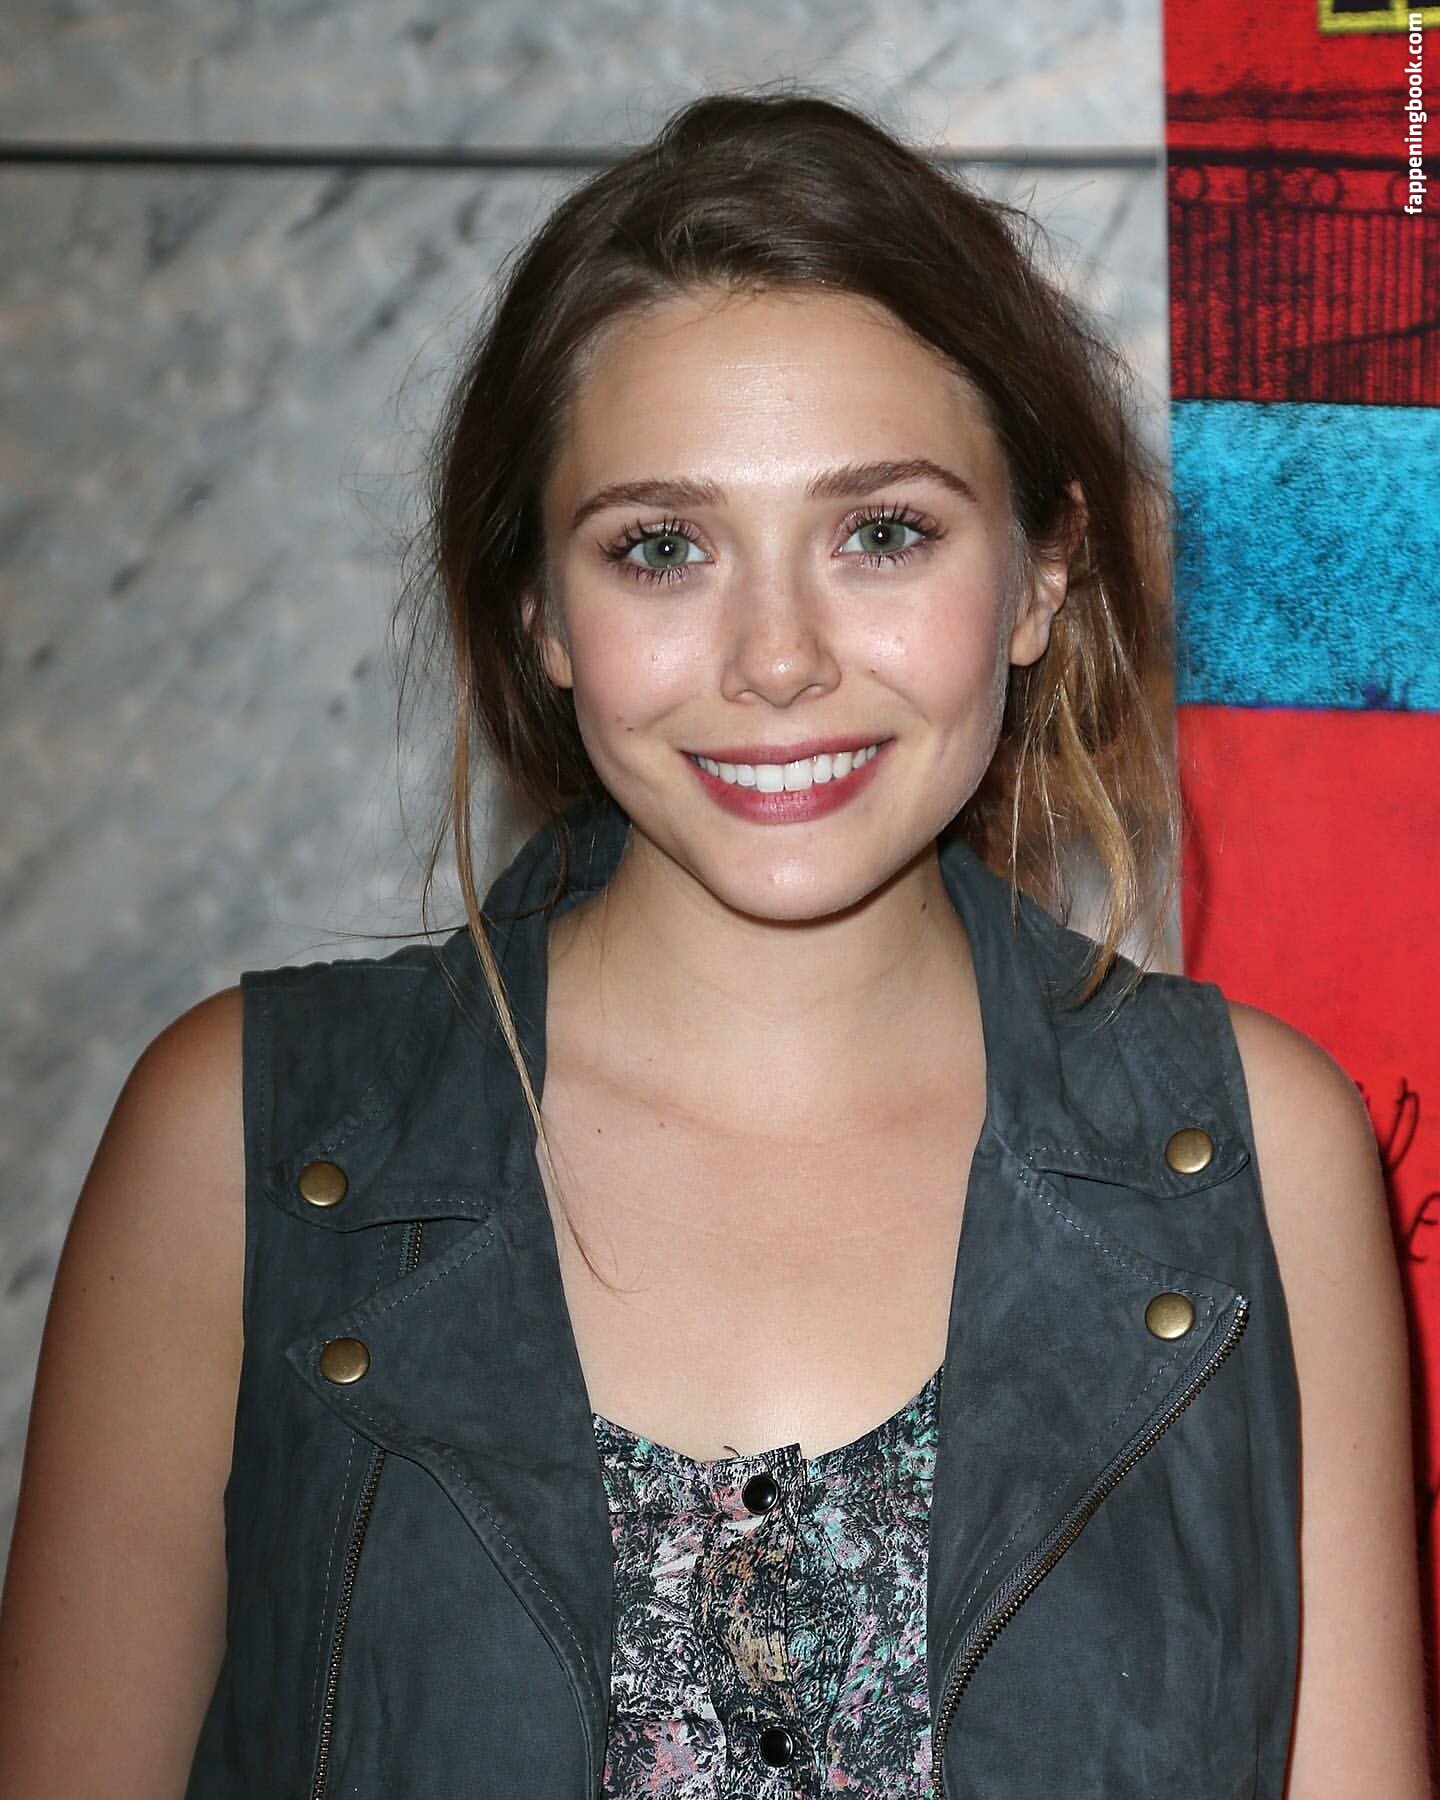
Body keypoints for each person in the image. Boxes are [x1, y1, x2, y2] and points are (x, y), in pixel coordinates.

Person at [0, 86, 1431, 1800]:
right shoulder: (239, 1139)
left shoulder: (1258, 1155)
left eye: (882, 532)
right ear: (539, 611)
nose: (776, 658)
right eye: (663, 548)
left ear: (1043, 573)